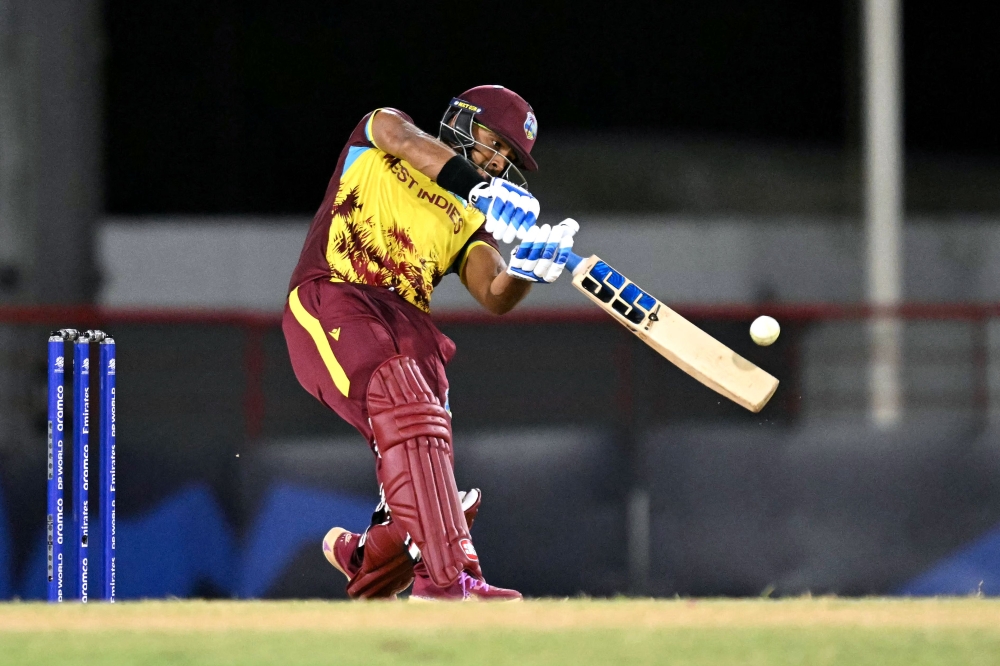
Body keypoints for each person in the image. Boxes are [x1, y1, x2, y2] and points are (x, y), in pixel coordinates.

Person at [283, 85, 578, 601]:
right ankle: (442, 585)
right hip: (334, 294)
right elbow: (402, 138)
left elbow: (493, 293)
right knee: (404, 397)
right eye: (495, 141)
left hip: (404, 325)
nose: (498, 158)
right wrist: (475, 186)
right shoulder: (381, 130)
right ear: (463, 122)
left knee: (427, 416)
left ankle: (376, 554)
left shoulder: (469, 220)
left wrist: (529, 268)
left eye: (509, 156)